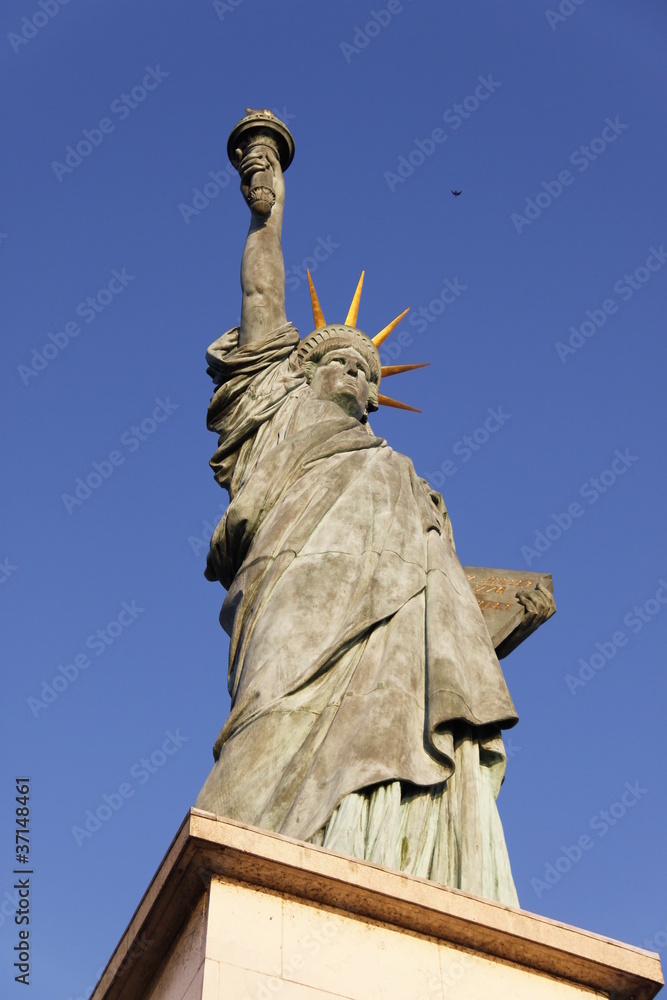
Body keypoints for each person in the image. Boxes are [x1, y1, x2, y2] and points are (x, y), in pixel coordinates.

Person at [195, 141, 521, 905]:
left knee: (387, 715)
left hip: (383, 620)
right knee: (269, 714)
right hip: (286, 585)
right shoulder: (268, 413)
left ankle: (365, 845)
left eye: (366, 373)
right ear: (301, 370)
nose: (353, 374)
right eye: (338, 363)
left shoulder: (399, 474)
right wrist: (266, 219)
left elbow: (436, 590)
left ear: (377, 397)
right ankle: (229, 867)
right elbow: (259, 301)